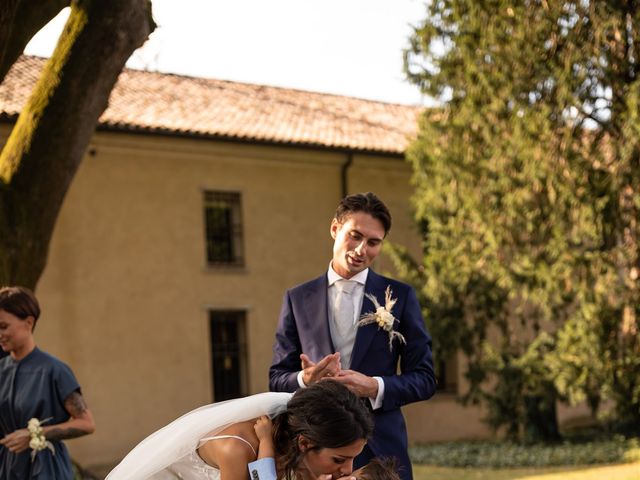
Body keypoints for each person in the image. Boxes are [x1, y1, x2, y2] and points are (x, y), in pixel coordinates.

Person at [269, 192, 437, 480]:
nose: (361, 250)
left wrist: (374, 386)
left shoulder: (401, 297)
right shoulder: (298, 299)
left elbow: (425, 378)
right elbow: (276, 378)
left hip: (381, 452)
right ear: (335, 228)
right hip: (316, 451)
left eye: (373, 243)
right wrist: (305, 380)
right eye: (354, 236)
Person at [106, 380, 374, 480]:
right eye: (339, 459)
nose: (348, 470)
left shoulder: (288, 443)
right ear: (304, 443)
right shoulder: (238, 448)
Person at [0, 286, 96, 479]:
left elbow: (87, 423)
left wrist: (35, 434)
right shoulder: (1, 369)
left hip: (46, 469)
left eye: (3, 326)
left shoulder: (55, 370)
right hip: (7, 469)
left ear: (28, 322)